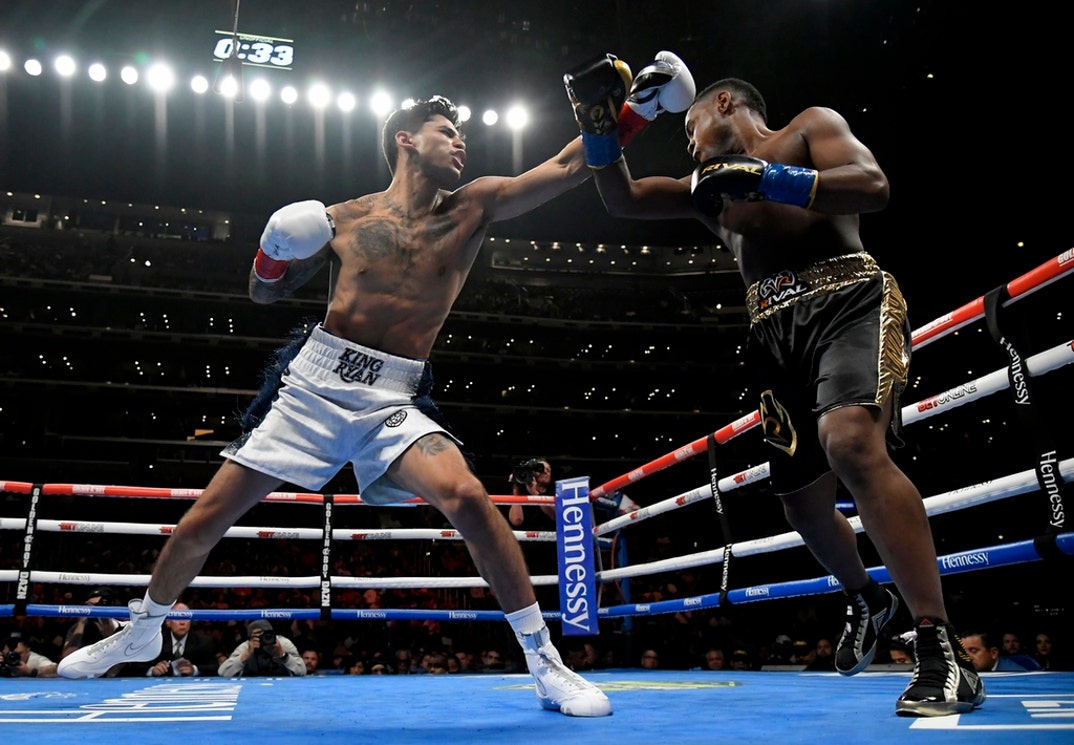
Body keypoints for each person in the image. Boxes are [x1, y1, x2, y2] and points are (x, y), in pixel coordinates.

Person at [56, 55, 694, 718]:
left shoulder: (475, 206)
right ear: (407, 139)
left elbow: (568, 165)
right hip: (313, 384)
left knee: (469, 497)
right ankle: (141, 630)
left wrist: (638, 111)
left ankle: (545, 662)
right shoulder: (343, 217)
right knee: (204, 519)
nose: (461, 142)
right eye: (448, 131)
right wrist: (271, 253)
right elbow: (261, 292)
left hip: (393, 396)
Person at [571, 74, 984, 717]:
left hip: (848, 300)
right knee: (800, 502)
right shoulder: (706, 190)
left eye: (690, 127)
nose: (689, 145)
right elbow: (622, 199)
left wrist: (770, 179)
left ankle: (941, 647)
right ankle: (867, 598)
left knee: (848, 442)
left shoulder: (806, 127)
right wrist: (605, 123)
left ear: (725, 105)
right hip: (772, 333)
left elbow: (873, 187)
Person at [127, 601, 219, 677]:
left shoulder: (204, 642)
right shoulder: (155, 641)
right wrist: (152, 670)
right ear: (168, 622)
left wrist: (194, 669)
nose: (182, 622)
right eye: (177, 618)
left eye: (186, 618)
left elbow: (215, 667)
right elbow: (135, 666)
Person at [217, 620, 306, 677]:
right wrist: (246, 655)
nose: (261, 637)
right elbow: (222, 672)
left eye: (265, 633)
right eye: (257, 634)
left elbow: (302, 671)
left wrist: (283, 655)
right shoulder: (246, 647)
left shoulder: (283, 644)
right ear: (250, 637)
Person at [507, 457, 555, 528]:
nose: (545, 471)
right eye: (541, 469)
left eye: (548, 470)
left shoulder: (554, 492)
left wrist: (535, 494)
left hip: (548, 536)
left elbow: (554, 515)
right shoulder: (521, 492)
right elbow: (516, 521)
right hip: (524, 537)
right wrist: (516, 487)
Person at [960, 631, 1036, 672]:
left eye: (973, 651)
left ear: (994, 653)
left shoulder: (1014, 674)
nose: (967, 656)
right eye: (964, 651)